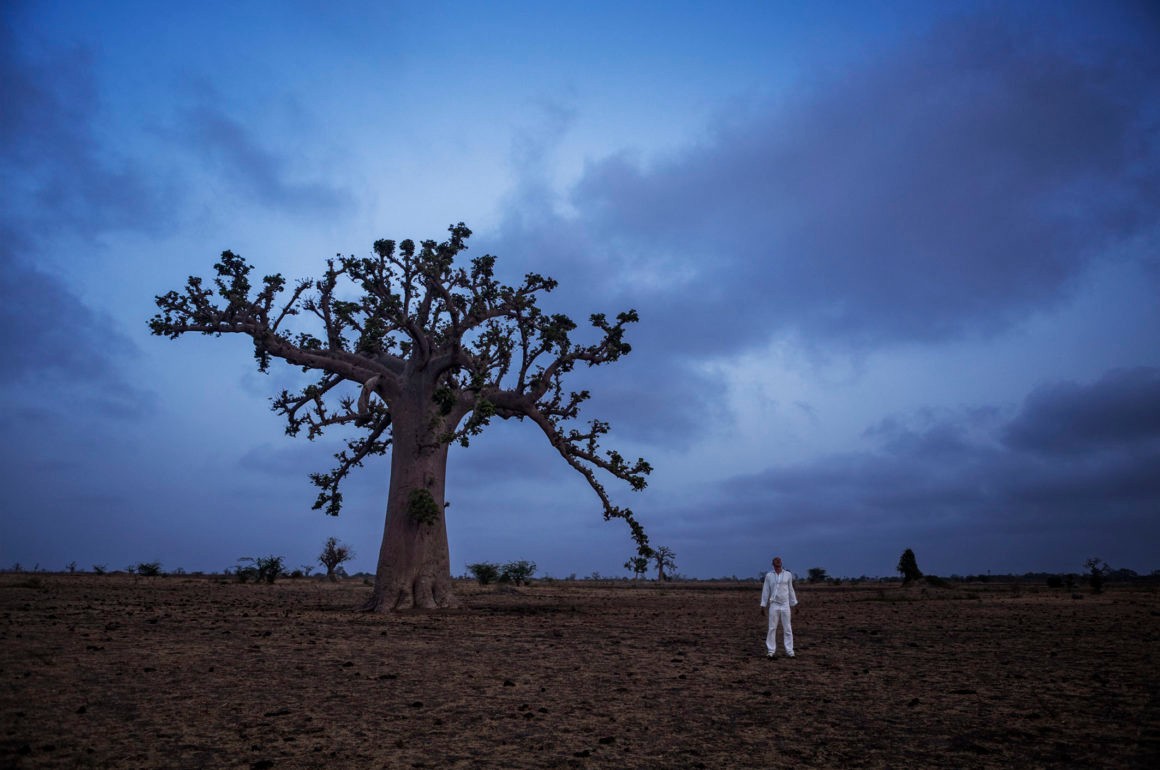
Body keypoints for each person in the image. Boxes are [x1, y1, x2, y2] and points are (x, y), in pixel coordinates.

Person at [760, 556, 798, 658]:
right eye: (776, 562)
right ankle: (771, 651)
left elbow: (791, 589)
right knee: (772, 628)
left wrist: (794, 604)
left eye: (779, 561)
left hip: (785, 604)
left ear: (781, 563)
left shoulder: (788, 575)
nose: (778, 563)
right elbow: (766, 591)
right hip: (774, 604)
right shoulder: (769, 576)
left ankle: (790, 651)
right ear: (773, 564)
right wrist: (763, 605)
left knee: (787, 628)